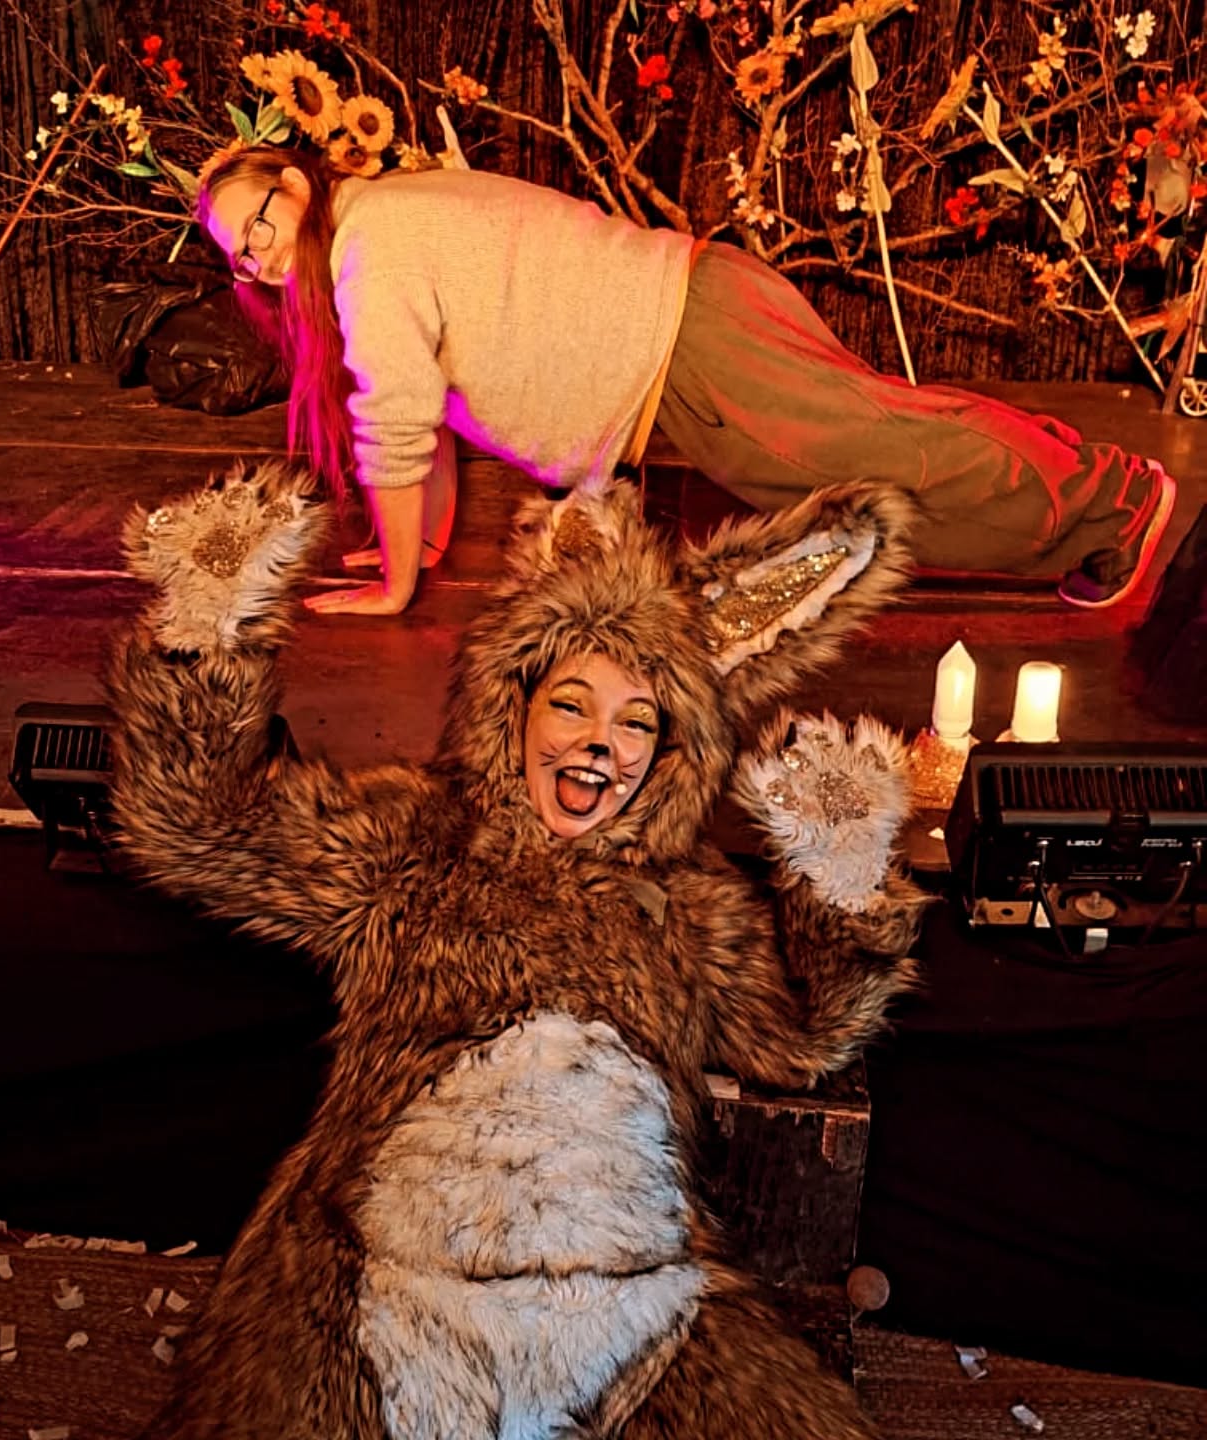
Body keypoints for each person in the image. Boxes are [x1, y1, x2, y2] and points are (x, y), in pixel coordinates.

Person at [108, 457, 928, 1438]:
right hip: (387, 1269)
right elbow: (202, 829)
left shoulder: (688, 905)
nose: (600, 744)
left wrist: (842, 882)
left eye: (637, 722)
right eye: (572, 704)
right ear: (517, 707)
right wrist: (205, 636)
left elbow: (800, 1037)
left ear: (670, 755)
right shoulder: (418, 837)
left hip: (622, 1295)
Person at [197, 143, 1177, 615]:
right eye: (238, 256)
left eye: (257, 225)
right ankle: (1090, 516)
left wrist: (398, 588)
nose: (258, 258)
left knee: (885, 448)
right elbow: (429, 416)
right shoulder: (375, 229)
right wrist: (423, 546)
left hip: (692, 337)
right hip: (682, 346)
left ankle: (1114, 497)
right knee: (868, 480)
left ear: (295, 185)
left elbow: (398, 427)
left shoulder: (369, 248)